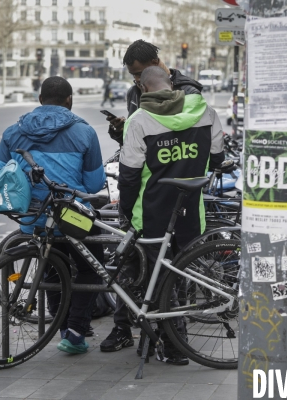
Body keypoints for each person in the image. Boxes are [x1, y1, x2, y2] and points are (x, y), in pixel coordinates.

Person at [112, 66, 225, 365]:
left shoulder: (138, 120)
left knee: (159, 280)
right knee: (178, 276)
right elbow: (217, 157)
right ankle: (166, 341)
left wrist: (126, 208)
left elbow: (129, 176)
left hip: (152, 214)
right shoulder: (204, 110)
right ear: (171, 84)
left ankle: (175, 347)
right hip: (191, 212)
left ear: (143, 89)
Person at [100, 40, 203, 353]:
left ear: (159, 63)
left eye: (141, 75)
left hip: (172, 192)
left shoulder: (189, 91)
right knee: (132, 264)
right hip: (149, 189)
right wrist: (121, 130)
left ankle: (174, 336)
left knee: (174, 269)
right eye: (133, 78)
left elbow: (184, 136)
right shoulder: (137, 93)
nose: (138, 83)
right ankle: (125, 328)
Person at [0, 76, 106, 355]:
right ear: (69, 100)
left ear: (40, 99)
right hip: (73, 217)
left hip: (34, 218)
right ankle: (77, 332)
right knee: (93, 268)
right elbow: (93, 186)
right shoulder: (84, 132)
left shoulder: (12, 132)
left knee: (52, 269)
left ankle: (63, 326)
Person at [106, 40, 203, 137]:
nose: (137, 79)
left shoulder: (188, 91)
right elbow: (134, 143)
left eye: (139, 73)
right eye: (133, 75)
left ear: (155, 62)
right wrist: (122, 130)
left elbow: (197, 136)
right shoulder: (133, 92)